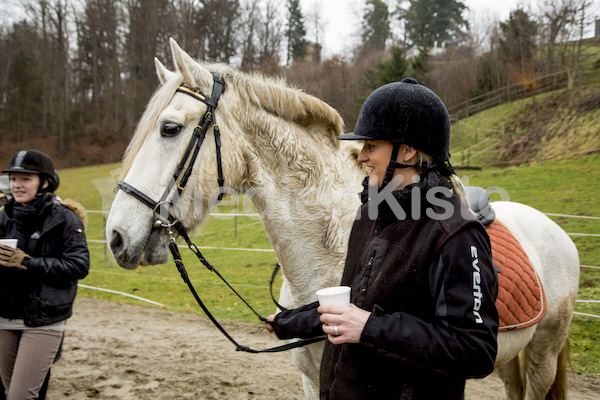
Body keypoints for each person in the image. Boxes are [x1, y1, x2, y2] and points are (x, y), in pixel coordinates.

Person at [264, 78, 499, 399]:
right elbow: (355, 307)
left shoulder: (456, 234)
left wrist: (370, 328)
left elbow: (475, 350)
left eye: (371, 146)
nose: (361, 156)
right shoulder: (368, 216)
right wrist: (289, 323)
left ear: (408, 150)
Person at [0, 149, 90, 400]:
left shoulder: (65, 219)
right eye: (14, 178)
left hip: (43, 321)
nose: (17, 185)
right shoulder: (3, 217)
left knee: (20, 396)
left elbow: (79, 266)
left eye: (25, 179)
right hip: (4, 318)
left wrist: (28, 263)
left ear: (45, 182)